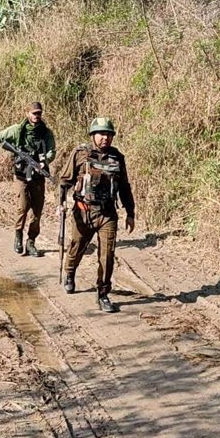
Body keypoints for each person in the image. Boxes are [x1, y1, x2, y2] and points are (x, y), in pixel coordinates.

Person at [59, 117, 135, 313]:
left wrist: (130, 212)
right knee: (77, 247)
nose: (105, 138)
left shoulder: (117, 157)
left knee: (107, 255)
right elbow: (65, 180)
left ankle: (103, 293)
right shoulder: (80, 153)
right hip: (83, 211)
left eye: (109, 134)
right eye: (101, 134)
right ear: (93, 135)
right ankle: (69, 273)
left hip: (107, 214)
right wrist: (61, 203)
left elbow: (124, 187)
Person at [0, 102, 56, 257]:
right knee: (22, 207)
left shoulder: (46, 133)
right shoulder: (17, 130)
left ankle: (31, 242)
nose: (36, 116)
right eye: (33, 113)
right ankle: (18, 235)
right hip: (21, 176)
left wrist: (44, 161)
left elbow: (52, 151)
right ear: (27, 113)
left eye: (39, 113)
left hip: (38, 175)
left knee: (37, 212)